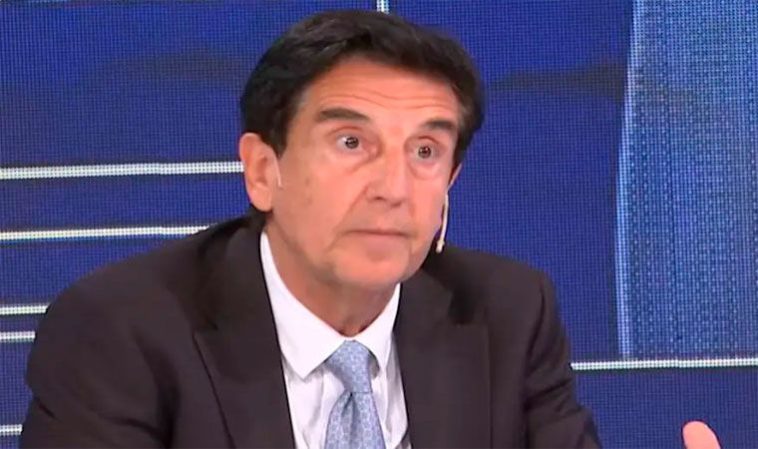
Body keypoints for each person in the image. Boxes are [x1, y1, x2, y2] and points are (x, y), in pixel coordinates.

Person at [21, 9, 601, 448]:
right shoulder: (123, 332)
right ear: (262, 170)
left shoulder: (508, 314)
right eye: (351, 142)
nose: (393, 188)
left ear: (451, 178)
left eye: (425, 150)